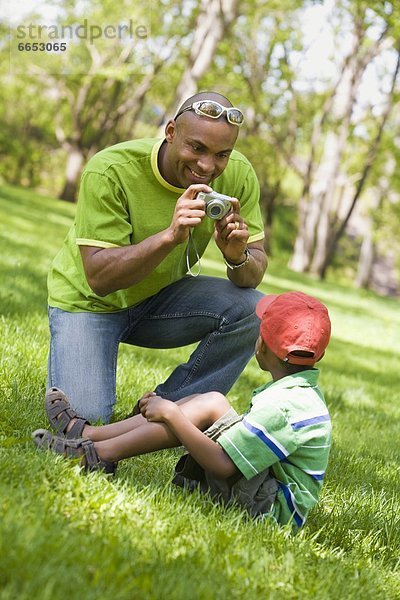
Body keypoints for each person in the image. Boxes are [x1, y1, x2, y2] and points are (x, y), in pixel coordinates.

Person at [47, 91, 267, 423]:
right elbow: (100, 278)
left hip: (158, 301)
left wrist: (238, 257)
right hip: (89, 303)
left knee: (255, 309)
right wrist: (169, 237)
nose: (208, 165)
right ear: (170, 133)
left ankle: (163, 413)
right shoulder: (111, 170)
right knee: (83, 419)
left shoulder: (238, 174)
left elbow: (254, 271)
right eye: (197, 148)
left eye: (222, 154)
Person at [33, 291, 333, 530]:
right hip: (263, 493)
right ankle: (90, 436)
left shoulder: (285, 406)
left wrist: (171, 414)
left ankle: (99, 455)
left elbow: (223, 465)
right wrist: (169, 410)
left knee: (208, 405)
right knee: (212, 401)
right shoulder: (298, 394)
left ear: (262, 345)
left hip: (267, 513)